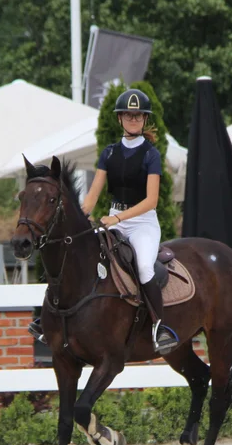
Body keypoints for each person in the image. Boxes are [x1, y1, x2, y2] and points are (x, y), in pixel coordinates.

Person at [28, 88, 177, 354]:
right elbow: (92, 195)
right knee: (73, 258)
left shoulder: (151, 155)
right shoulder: (108, 153)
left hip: (142, 223)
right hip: (112, 221)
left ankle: (159, 327)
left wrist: (118, 217)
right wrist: (81, 215)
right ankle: (47, 320)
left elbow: (151, 200)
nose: (134, 120)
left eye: (138, 116)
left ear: (144, 120)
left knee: (143, 267)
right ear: (120, 119)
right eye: (129, 116)